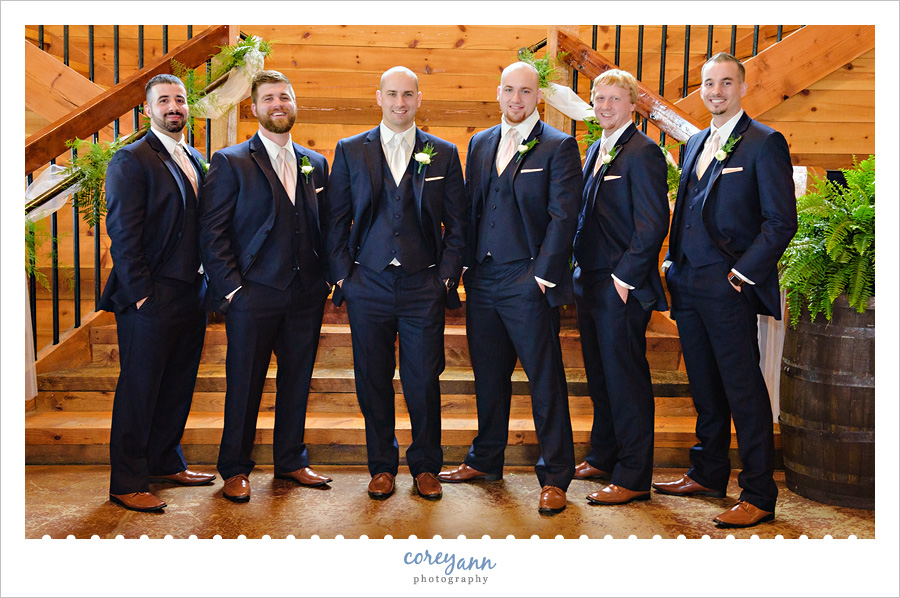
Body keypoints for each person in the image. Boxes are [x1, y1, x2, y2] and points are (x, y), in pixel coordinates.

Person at [653, 53, 797, 528]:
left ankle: (758, 491)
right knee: (705, 387)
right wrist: (672, 260)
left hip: (730, 286)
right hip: (688, 283)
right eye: (709, 83)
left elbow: (780, 223)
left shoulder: (764, 143)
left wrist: (741, 274)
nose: (716, 91)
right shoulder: (693, 142)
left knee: (743, 389)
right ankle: (708, 472)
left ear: (742, 87)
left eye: (725, 83)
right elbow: (689, 207)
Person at [437, 62, 581, 514]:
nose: (516, 99)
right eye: (509, 91)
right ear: (497, 93)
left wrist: (542, 275)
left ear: (538, 96)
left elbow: (564, 217)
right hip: (482, 280)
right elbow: (469, 210)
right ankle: (486, 459)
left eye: (525, 91)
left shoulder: (559, 146)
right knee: (489, 376)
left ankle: (556, 475)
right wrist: (462, 269)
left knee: (544, 379)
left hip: (527, 279)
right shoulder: (480, 143)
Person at [325, 66, 466, 501]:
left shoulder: (442, 152)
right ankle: (382, 466)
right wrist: (343, 276)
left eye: (408, 94)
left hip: (423, 284)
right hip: (367, 283)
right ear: (379, 97)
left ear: (419, 99)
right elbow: (334, 219)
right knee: (372, 377)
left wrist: (445, 277)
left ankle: (426, 466)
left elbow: (458, 226)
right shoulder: (350, 150)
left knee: (424, 377)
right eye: (392, 94)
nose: (400, 102)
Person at [199, 70, 332, 503]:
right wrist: (233, 291)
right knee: (244, 384)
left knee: (297, 381)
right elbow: (212, 234)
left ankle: (291, 460)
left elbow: (324, 226)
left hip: (305, 295)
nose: (279, 104)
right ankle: (235, 468)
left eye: (286, 97)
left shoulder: (317, 162)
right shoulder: (231, 160)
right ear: (253, 108)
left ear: (295, 104)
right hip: (252, 295)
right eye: (270, 98)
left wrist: (326, 280)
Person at [100, 73, 214, 512]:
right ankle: (127, 480)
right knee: (140, 389)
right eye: (164, 100)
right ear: (147, 109)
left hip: (192, 293)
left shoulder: (195, 157)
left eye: (180, 100)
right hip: (149, 297)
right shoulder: (131, 159)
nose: (174, 107)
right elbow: (122, 234)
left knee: (177, 385)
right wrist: (143, 294)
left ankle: (166, 460)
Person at [572, 69, 670, 505]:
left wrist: (623, 278)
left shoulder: (644, 152)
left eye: (615, 99)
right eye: (600, 99)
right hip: (589, 282)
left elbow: (652, 225)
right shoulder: (596, 147)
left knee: (626, 379)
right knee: (600, 374)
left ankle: (632, 476)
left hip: (620, 286)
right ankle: (603, 454)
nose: (606, 106)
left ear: (632, 105)